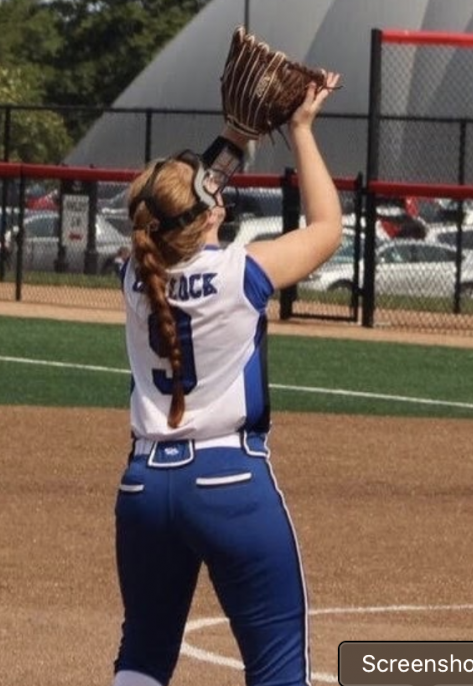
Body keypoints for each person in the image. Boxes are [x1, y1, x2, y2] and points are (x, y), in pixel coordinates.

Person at [111, 70, 342, 686]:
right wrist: (300, 131)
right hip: (229, 482)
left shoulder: (135, 274)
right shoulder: (243, 272)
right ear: (213, 212)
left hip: (144, 489)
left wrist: (234, 136)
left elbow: (181, 201)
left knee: (142, 656)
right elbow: (327, 228)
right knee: (277, 667)